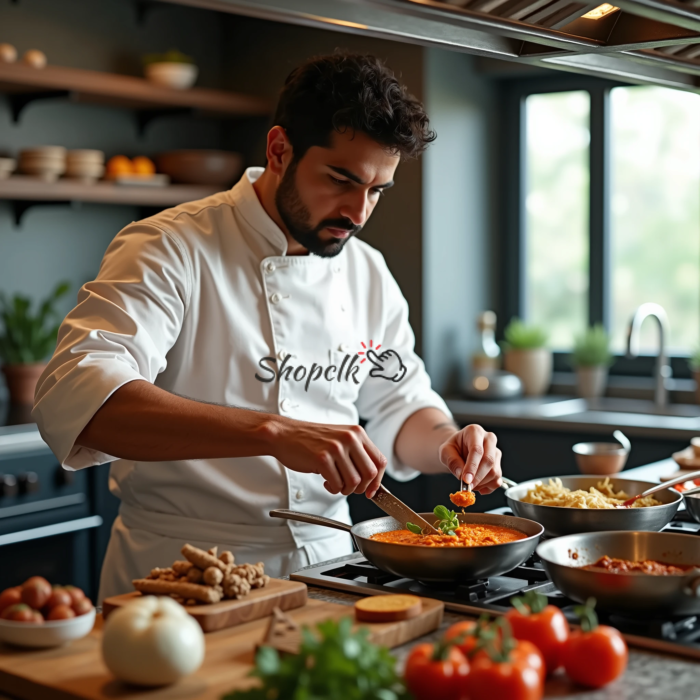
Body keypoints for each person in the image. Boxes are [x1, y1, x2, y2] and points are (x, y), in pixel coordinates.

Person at [32, 53, 502, 601]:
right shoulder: (170, 247)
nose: (359, 212)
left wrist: (448, 443)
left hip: (332, 569)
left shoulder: (366, 271)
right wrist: (272, 432)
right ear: (279, 150)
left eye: (377, 190)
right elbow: (79, 400)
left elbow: (400, 404)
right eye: (340, 179)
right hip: (185, 574)